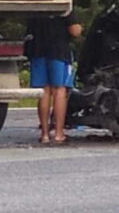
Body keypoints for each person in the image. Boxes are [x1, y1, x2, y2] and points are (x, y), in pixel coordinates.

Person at [24, 12, 82, 144]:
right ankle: (58, 133)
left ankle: (44, 134)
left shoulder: (37, 5)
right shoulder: (63, 7)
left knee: (44, 91)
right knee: (59, 90)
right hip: (58, 51)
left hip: (37, 49)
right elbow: (75, 31)